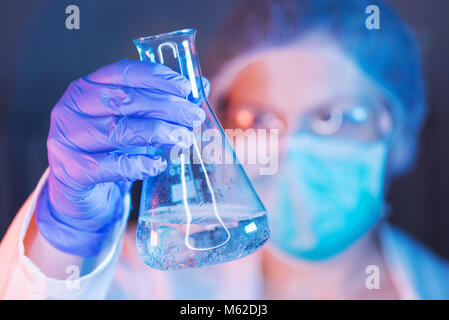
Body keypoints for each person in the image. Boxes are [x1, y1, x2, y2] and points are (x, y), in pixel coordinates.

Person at [1, 0, 448, 299]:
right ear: (217, 132)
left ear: (401, 133)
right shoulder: (148, 279)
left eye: (332, 118)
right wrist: (65, 236)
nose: (291, 148)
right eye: (259, 120)